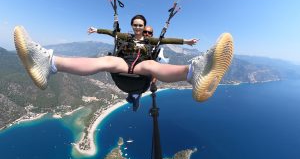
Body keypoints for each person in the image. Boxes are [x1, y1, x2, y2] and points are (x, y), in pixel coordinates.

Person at [13, 14, 234, 102]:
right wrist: (96, 30)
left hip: (140, 74)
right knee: (107, 61)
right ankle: (49, 63)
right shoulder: (124, 36)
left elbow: (167, 41)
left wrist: (186, 42)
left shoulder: (152, 42)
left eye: (144, 28)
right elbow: (111, 33)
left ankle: (194, 74)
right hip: (121, 69)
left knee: (150, 64)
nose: (142, 31)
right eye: (138, 26)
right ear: (133, 26)